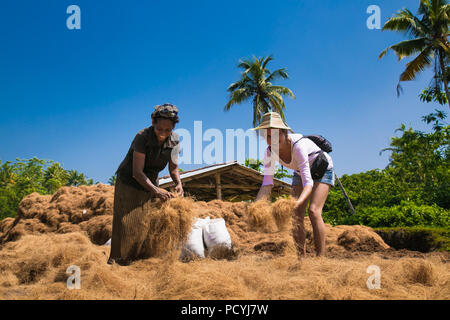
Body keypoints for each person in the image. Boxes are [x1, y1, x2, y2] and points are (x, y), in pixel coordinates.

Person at [108, 103, 183, 265]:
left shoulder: (175, 141)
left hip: (150, 181)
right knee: (125, 222)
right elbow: (137, 172)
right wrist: (156, 191)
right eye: (159, 129)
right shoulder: (142, 137)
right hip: (129, 181)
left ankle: (138, 259)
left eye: (167, 130)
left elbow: (174, 167)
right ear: (153, 123)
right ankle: (116, 261)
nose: (163, 134)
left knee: (146, 220)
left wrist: (178, 183)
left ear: (173, 127)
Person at [254, 112, 335, 257]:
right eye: (267, 136)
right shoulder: (269, 153)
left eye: (275, 134)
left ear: (284, 133)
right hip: (300, 172)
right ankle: (301, 259)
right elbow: (267, 183)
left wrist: (296, 203)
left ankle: (321, 258)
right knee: (296, 215)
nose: (271, 139)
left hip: (322, 169)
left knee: (313, 211)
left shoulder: (298, 146)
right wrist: (256, 205)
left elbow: (308, 183)